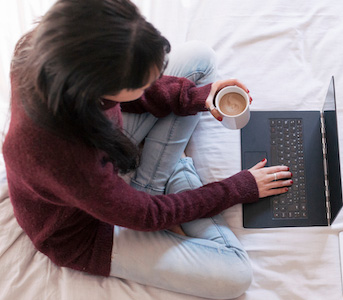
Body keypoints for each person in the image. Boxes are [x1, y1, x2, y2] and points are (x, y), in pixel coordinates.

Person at [3, 0, 293, 298]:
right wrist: (237, 187)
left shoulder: (46, 51)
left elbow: (134, 94)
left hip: (103, 159)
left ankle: (154, 180)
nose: (150, 85)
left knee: (199, 58)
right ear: (95, 85)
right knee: (236, 276)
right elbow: (146, 216)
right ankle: (163, 178)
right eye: (141, 83)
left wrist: (197, 98)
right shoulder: (60, 154)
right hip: (87, 227)